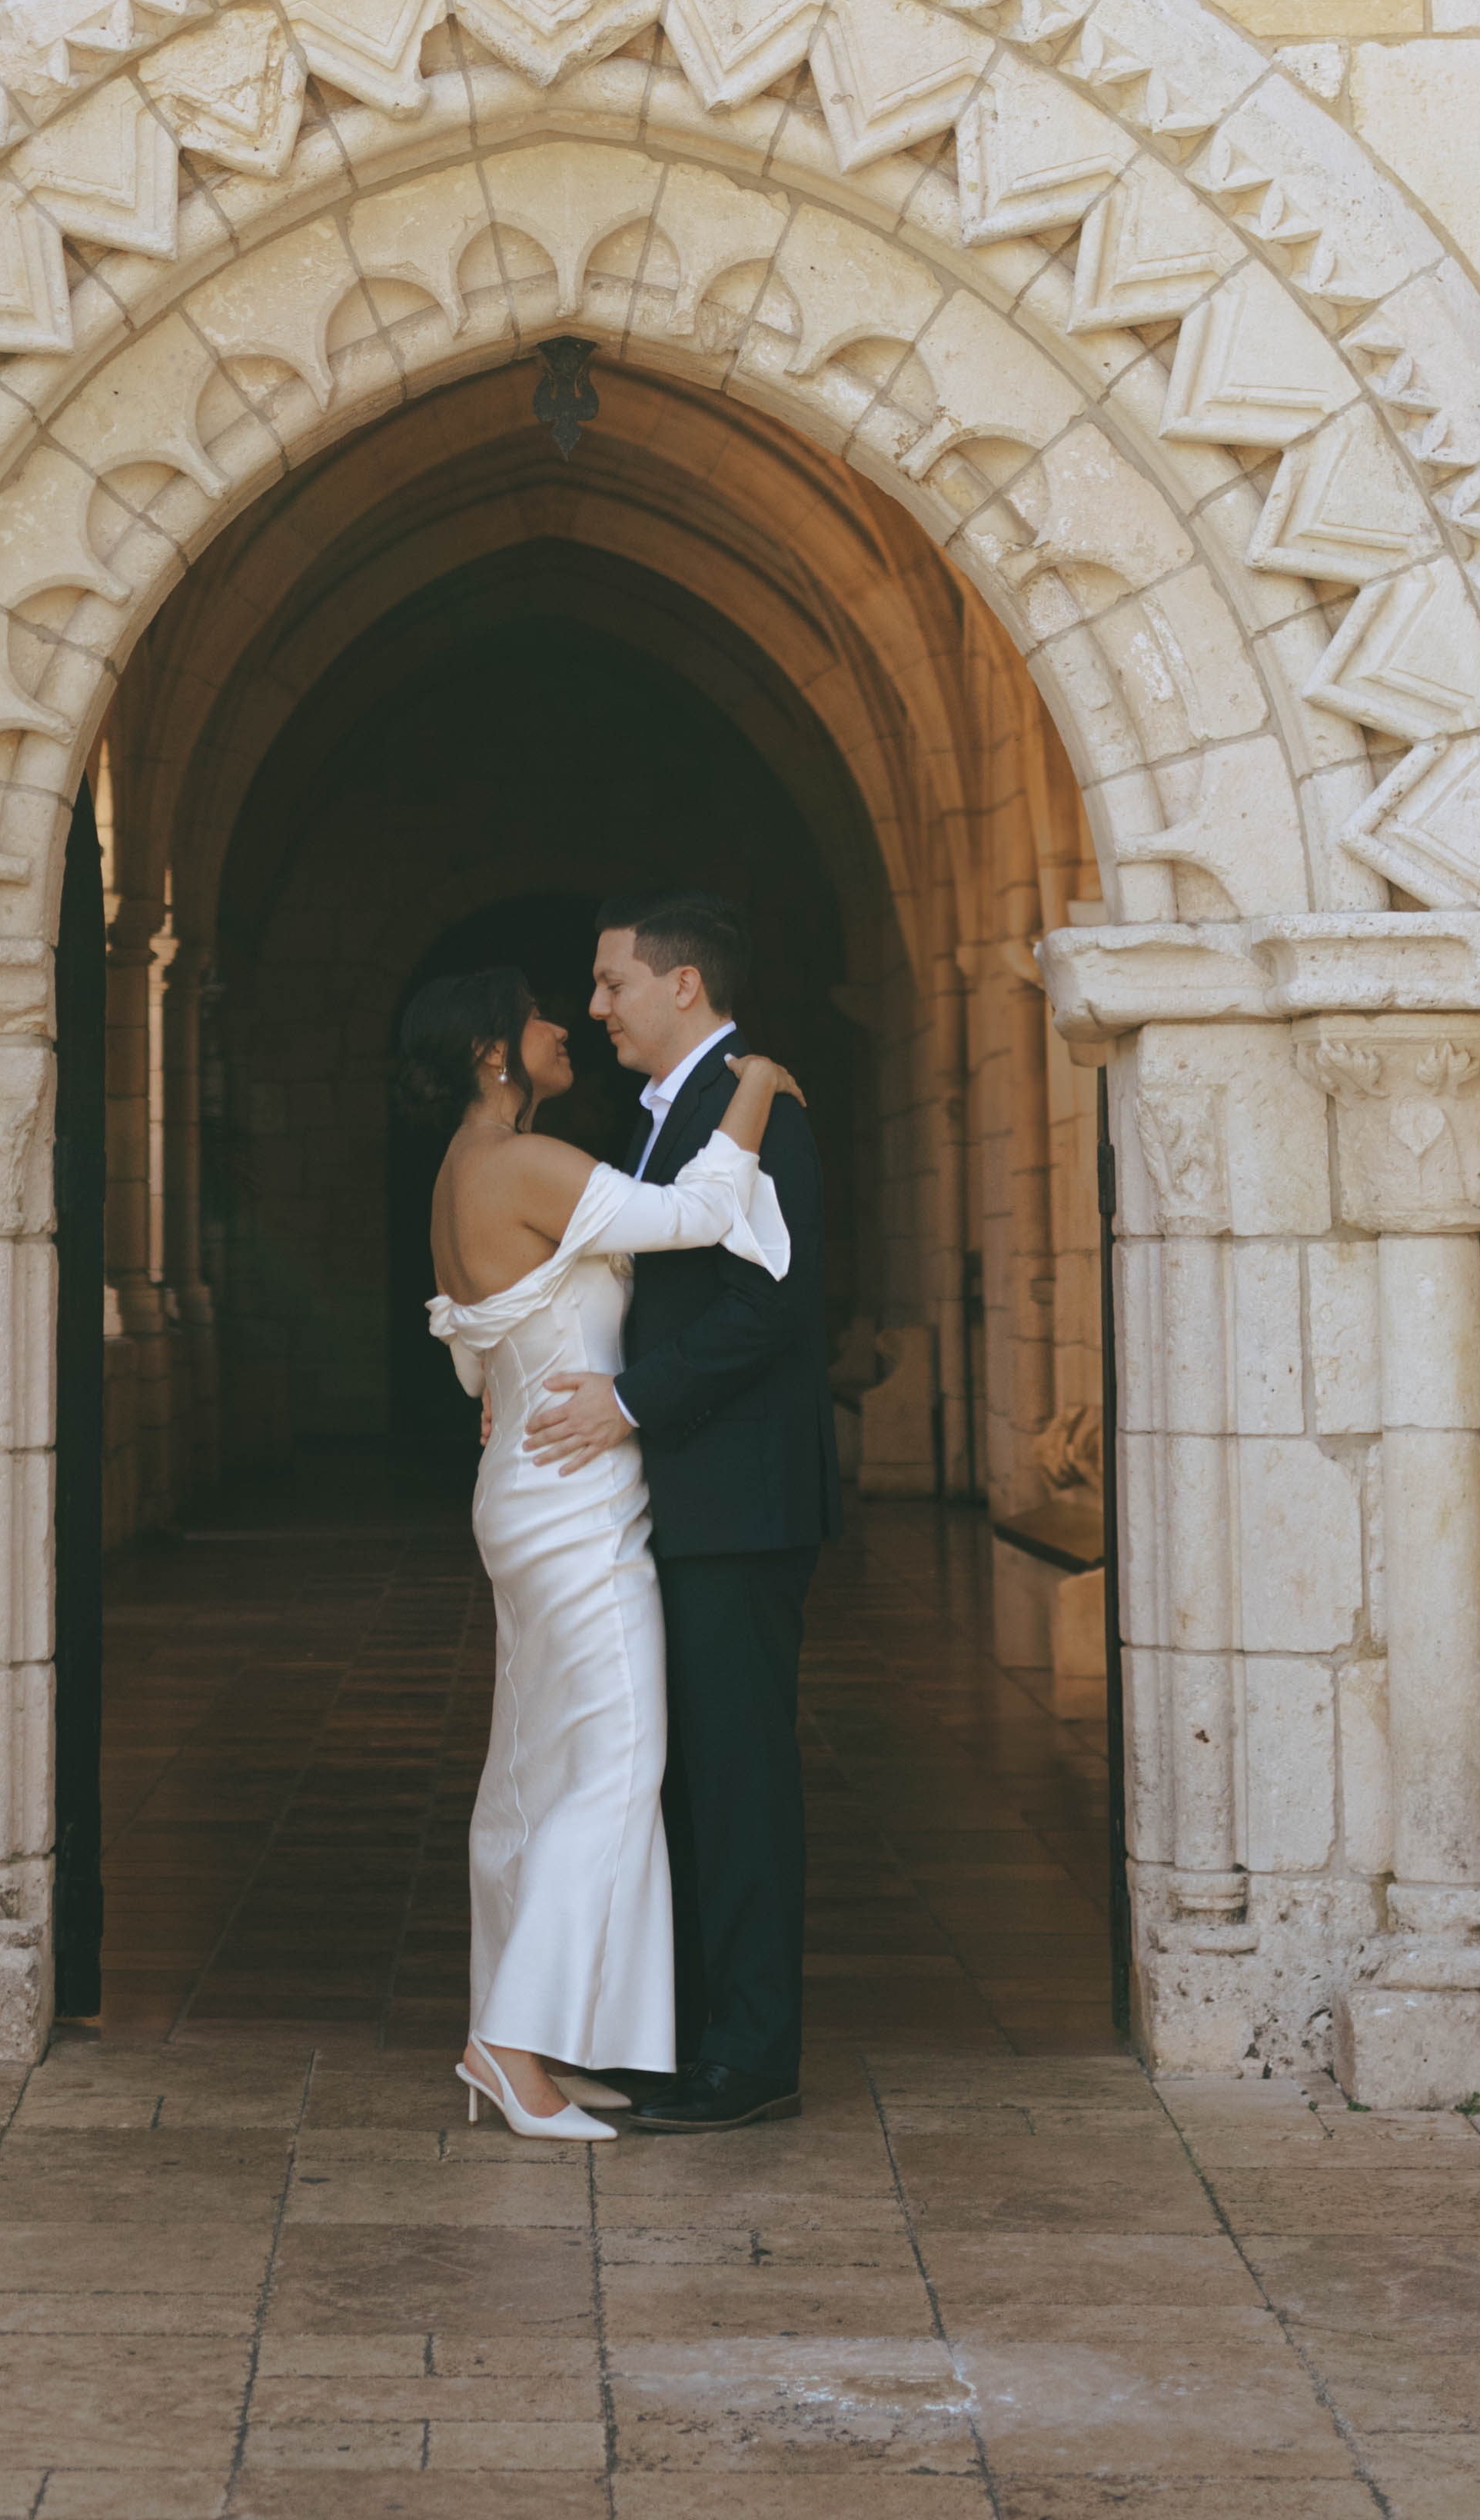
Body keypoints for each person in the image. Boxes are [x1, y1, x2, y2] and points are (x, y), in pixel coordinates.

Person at [407, 961, 800, 2137]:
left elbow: (476, 1349)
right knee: (617, 1766)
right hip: (576, 1502)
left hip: (527, 1486)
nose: (563, 1025)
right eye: (536, 1016)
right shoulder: (520, 1161)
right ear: (493, 1053)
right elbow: (692, 1216)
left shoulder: (459, 1175)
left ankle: (532, 2035)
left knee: (531, 1774)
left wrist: (511, 1381)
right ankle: (513, 2047)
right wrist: (761, 1088)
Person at [516, 891, 826, 2129]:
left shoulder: (762, 1103)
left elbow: (771, 1309)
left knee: (739, 1779)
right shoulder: (676, 1113)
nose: (596, 1010)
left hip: (740, 1503)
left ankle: (750, 2059)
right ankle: (689, 2035)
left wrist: (631, 1403)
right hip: (688, 1500)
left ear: (681, 985)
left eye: (612, 984)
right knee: (685, 1774)